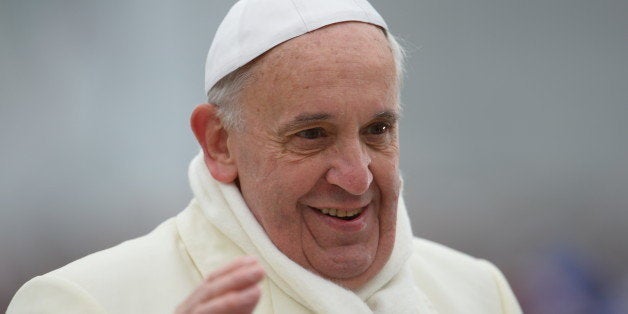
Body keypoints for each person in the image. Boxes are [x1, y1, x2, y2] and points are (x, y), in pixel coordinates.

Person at [8, 0, 522, 313]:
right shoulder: (82, 303)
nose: (356, 176)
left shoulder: (476, 293)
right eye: (313, 134)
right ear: (219, 143)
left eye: (377, 129)